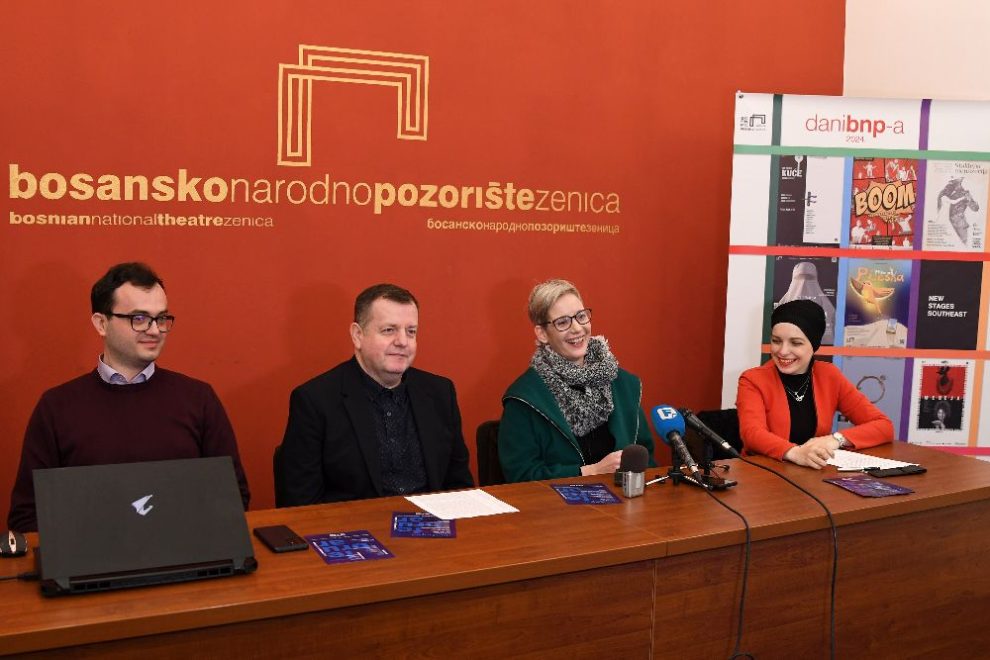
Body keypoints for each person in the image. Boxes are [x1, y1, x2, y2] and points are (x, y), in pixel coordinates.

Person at [7, 262, 250, 532]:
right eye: (139, 318)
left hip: (182, 550)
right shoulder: (56, 407)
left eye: (161, 318)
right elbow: (27, 516)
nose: (155, 330)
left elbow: (233, 496)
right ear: (101, 323)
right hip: (92, 554)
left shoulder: (199, 398)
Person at [277, 283, 474, 506]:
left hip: (435, 524)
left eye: (411, 331)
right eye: (389, 330)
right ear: (357, 335)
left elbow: (460, 487)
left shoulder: (440, 393)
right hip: (356, 525)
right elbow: (300, 503)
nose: (402, 341)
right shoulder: (315, 401)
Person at [498, 279, 655, 482]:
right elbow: (521, 476)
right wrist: (589, 471)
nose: (577, 328)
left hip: (625, 498)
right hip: (559, 502)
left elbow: (647, 459)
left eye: (581, 316)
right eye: (563, 322)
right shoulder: (524, 398)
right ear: (542, 333)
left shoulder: (623, 384)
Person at [736, 299, 893, 469]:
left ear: (814, 345)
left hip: (812, 472)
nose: (782, 351)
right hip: (763, 473)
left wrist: (835, 439)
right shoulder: (752, 379)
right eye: (776, 341)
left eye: (796, 343)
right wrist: (795, 453)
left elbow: (884, 426)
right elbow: (752, 434)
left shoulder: (829, 375)